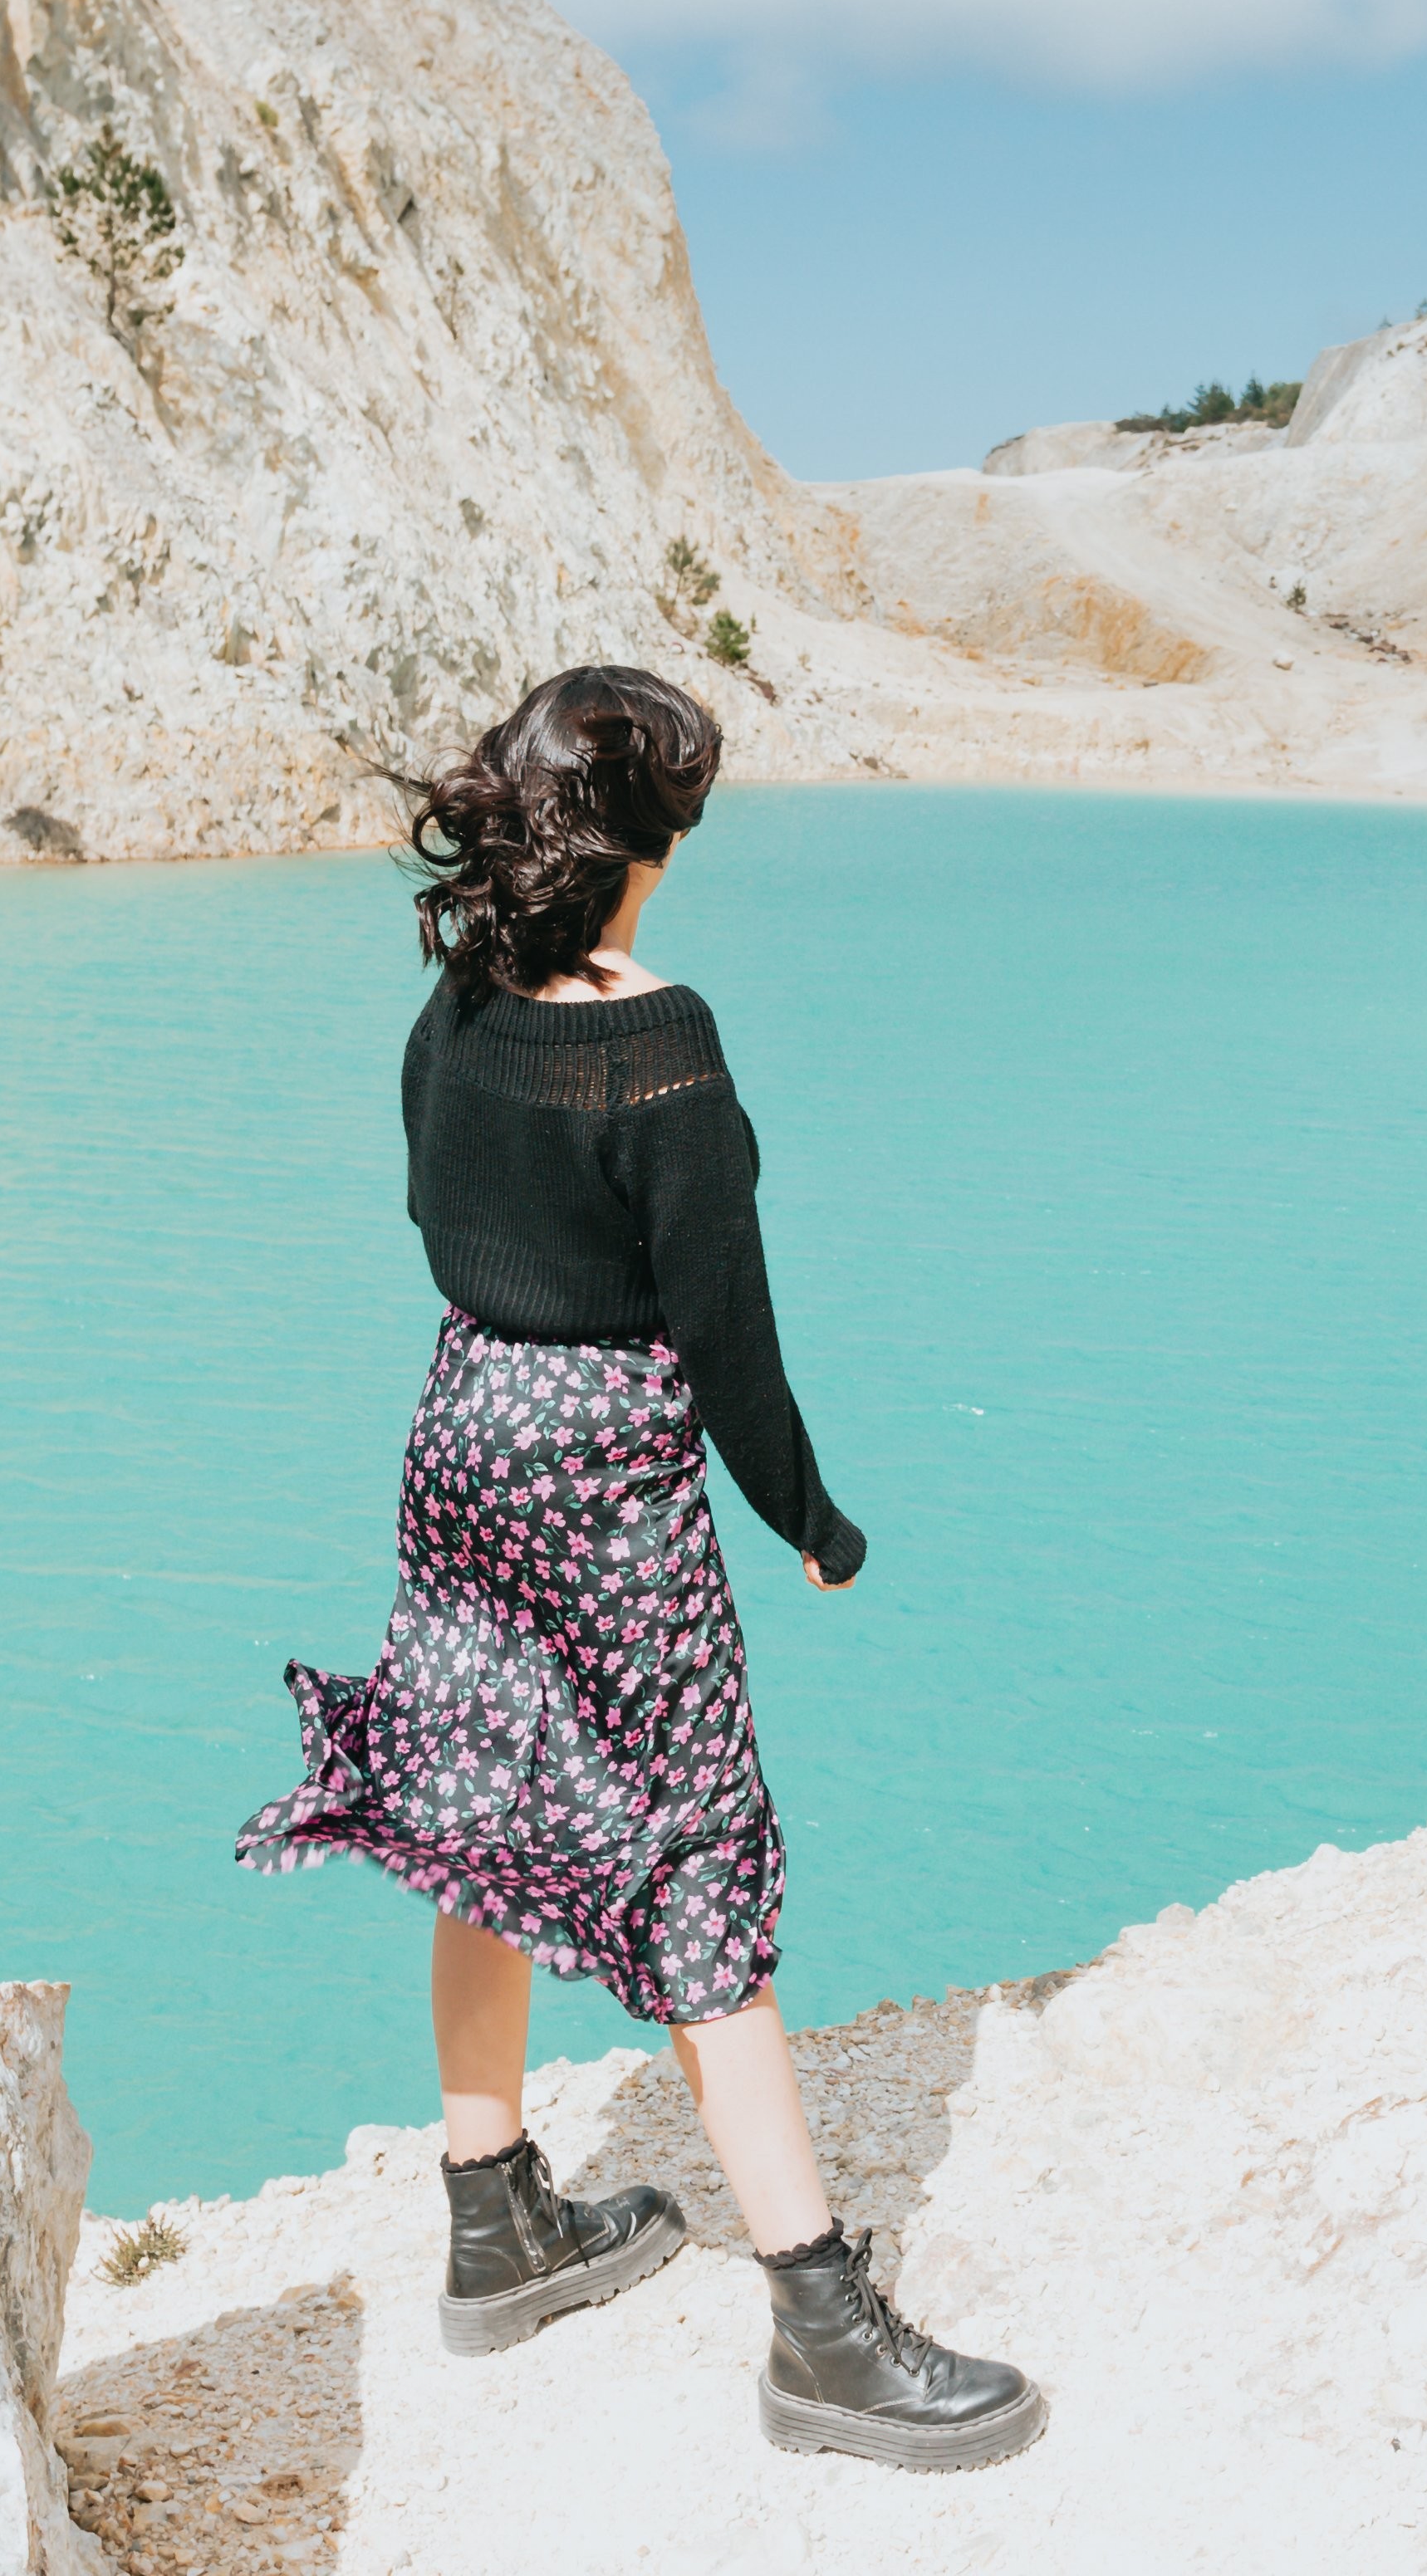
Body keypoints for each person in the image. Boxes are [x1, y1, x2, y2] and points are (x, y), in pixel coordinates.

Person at [237, 664, 1043, 2471]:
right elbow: (727, 1335)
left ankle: (494, 2217)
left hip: (458, 1424)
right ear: (656, 840)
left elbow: (431, 1209)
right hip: (603, 1469)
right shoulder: (659, 1038)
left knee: (479, 1800)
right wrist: (812, 1523)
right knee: (693, 1850)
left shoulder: (455, 1001)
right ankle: (823, 2328)